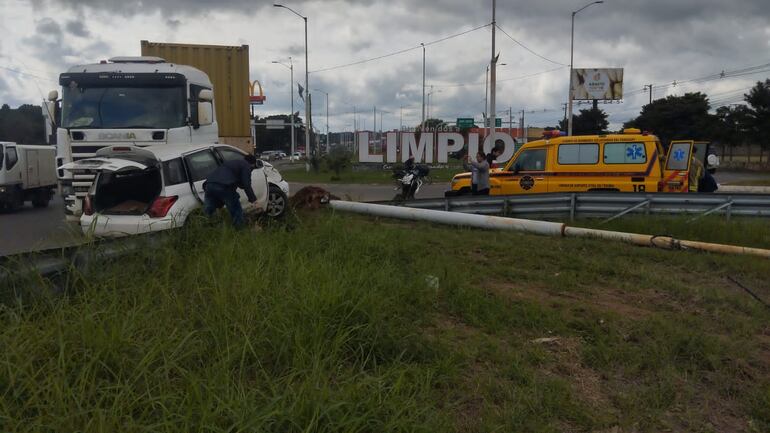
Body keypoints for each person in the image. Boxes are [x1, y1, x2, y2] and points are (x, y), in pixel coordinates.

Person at [203, 154, 258, 227]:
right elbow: (246, 184)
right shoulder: (246, 165)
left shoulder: (232, 163)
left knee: (209, 211)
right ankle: (240, 231)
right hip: (224, 186)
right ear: (252, 163)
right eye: (253, 167)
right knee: (236, 209)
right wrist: (253, 200)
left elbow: (238, 182)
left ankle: (207, 228)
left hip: (209, 185)